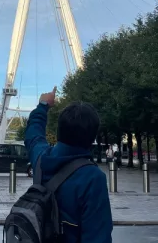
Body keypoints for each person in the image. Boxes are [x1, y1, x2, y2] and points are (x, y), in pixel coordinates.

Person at [24, 87, 112, 242]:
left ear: (59, 131)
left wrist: (43, 105)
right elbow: (97, 236)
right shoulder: (92, 178)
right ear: (92, 138)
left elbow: (33, 134)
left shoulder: (41, 158)